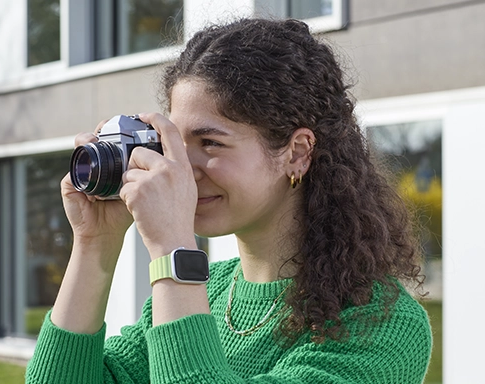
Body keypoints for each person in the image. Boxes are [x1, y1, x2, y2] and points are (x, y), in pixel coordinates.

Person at [25, 18, 432, 384]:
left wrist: (173, 249)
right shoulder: (205, 291)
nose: (180, 167)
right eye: (175, 144)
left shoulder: (382, 323)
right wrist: (95, 242)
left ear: (297, 152)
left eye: (210, 143)